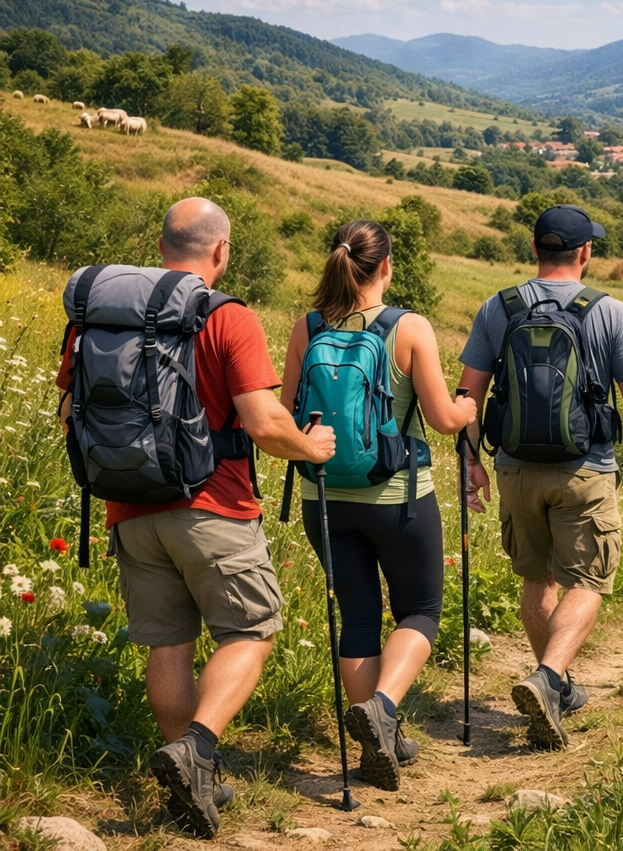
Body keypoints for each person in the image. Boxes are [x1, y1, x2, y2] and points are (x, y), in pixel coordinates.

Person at [57, 197, 336, 838]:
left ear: (162, 247)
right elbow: (265, 425)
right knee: (250, 632)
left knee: (167, 644)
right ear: (221, 251)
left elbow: (71, 405)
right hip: (213, 506)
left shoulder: (97, 317)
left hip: (128, 507)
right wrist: (312, 446)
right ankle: (198, 749)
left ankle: (192, 783)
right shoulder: (226, 316)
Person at [457, 204, 623, 750]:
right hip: (584, 469)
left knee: (538, 580)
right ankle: (550, 679)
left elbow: (468, 395)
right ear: (585, 253)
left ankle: (554, 682)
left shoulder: (498, 306)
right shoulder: (609, 311)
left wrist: (469, 461)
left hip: (513, 469)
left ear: (535, 251)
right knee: (588, 581)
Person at [279, 219, 476, 792]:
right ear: (385, 266)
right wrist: (467, 408)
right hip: (398, 497)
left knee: (359, 617)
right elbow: (442, 419)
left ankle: (379, 737)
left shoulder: (307, 326)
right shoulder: (408, 328)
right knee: (421, 610)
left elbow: (290, 413)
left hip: (323, 497)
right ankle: (383, 709)